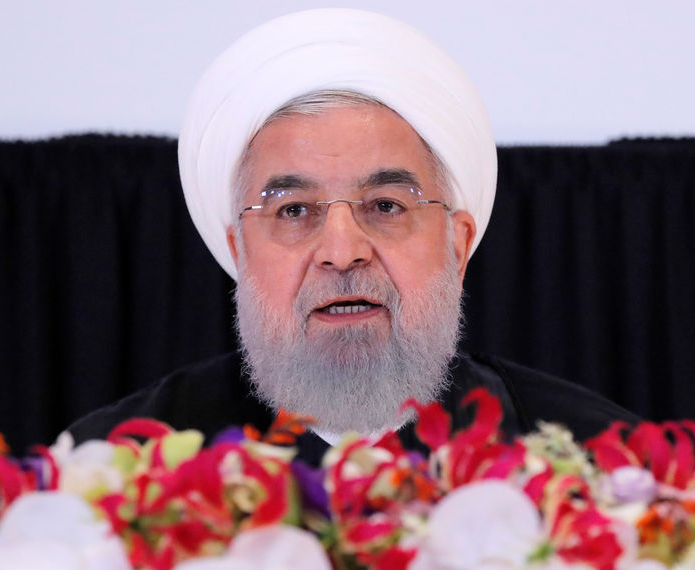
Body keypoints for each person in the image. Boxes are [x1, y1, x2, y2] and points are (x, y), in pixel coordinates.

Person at [69, 9, 638, 463]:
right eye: (293, 211)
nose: (342, 253)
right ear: (239, 251)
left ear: (458, 245)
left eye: (386, 205)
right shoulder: (117, 468)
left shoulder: (604, 465)